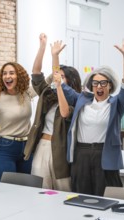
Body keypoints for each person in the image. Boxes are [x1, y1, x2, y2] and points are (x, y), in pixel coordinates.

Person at [60, 39, 124, 196]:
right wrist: (55, 57)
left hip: (104, 154)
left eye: (103, 83)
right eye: (95, 83)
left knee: (106, 196)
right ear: (91, 85)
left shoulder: (116, 104)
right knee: (81, 195)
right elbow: (59, 83)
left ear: (110, 85)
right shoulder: (81, 99)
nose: (99, 86)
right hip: (81, 154)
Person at [24, 34, 82, 191]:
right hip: (42, 146)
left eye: (63, 77)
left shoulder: (76, 100)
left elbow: (64, 113)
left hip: (60, 151)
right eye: (58, 76)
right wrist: (43, 47)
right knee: (40, 190)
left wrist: (58, 83)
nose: (58, 79)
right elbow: (36, 74)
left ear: (71, 81)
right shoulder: (48, 96)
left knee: (63, 191)